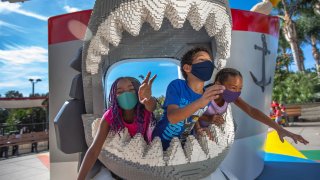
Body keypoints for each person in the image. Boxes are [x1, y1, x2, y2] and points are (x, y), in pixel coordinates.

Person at [195, 68, 308, 145]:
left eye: (240, 88)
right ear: (218, 85)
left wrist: (279, 128)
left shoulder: (229, 95)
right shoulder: (203, 95)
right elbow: (190, 115)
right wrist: (208, 120)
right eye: (233, 88)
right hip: (196, 132)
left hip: (212, 133)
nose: (237, 92)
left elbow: (251, 111)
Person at [77, 72, 157, 180]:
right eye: (120, 92)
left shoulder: (144, 109)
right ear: (114, 97)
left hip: (145, 160)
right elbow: (94, 150)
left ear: (138, 92)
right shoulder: (110, 115)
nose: (126, 94)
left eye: (131, 90)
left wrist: (148, 98)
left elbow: (151, 106)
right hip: (121, 165)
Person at [152, 47, 225, 150]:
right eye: (202, 60)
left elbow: (194, 117)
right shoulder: (177, 85)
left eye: (209, 62)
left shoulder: (206, 97)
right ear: (187, 68)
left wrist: (199, 129)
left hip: (182, 146)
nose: (208, 64)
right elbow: (172, 117)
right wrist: (200, 102)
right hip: (159, 143)